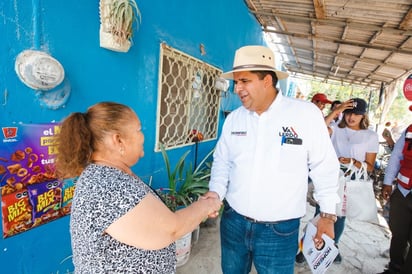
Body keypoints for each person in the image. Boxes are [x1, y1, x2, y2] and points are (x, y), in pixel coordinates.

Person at [204, 45, 341, 274]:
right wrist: (215, 192)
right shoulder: (235, 120)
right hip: (233, 222)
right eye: (236, 82)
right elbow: (222, 161)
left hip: (279, 232)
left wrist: (327, 215)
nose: (237, 88)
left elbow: (324, 165)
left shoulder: (305, 115)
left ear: (267, 80)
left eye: (244, 81)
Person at [55, 102, 222, 273]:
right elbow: (170, 229)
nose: (143, 136)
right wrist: (206, 205)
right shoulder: (107, 186)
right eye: (138, 130)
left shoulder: (107, 175)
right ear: (118, 140)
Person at [329, 97, 379, 263]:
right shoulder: (336, 128)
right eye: (348, 112)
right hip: (331, 176)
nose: (351, 117)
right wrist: (336, 111)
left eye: (356, 114)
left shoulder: (370, 136)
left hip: (351, 179)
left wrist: (352, 162)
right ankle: (310, 246)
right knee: (322, 211)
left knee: (340, 215)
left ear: (363, 116)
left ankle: (333, 247)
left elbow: (370, 166)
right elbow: (319, 128)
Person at [379, 125, 412, 274]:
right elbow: (397, 156)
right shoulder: (409, 131)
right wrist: (387, 182)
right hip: (403, 192)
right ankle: (394, 268)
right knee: (398, 233)